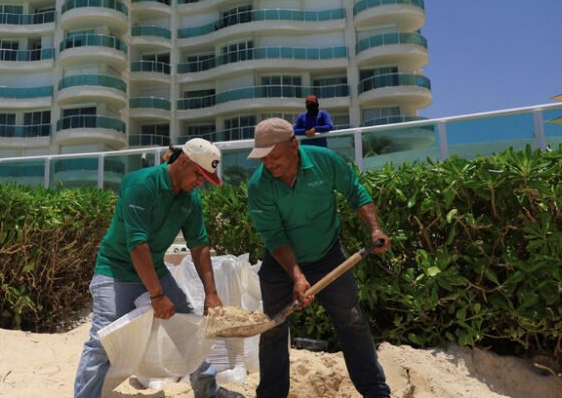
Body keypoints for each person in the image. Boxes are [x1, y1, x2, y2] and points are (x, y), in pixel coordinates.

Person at [74, 138, 244, 398]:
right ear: (184, 161)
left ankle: (209, 392)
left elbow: (199, 246)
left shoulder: (190, 199)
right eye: (199, 175)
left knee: (190, 328)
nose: (201, 183)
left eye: (206, 180)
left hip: (153, 268)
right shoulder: (141, 184)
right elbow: (136, 245)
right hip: (115, 270)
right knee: (103, 340)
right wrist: (157, 295)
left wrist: (211, 292)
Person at [246, 118, 391, 398]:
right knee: (274, 328)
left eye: (274, 156)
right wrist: (297, 276)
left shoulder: (324, 161)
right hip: (280, 265)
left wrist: (374, 228)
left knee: (352, 321)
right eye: (263, 158)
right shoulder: (259, 186)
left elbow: (355, 192)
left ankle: (376, 392)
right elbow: (274, 236)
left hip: (328, 256)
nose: (269, 164)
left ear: (293, 145)